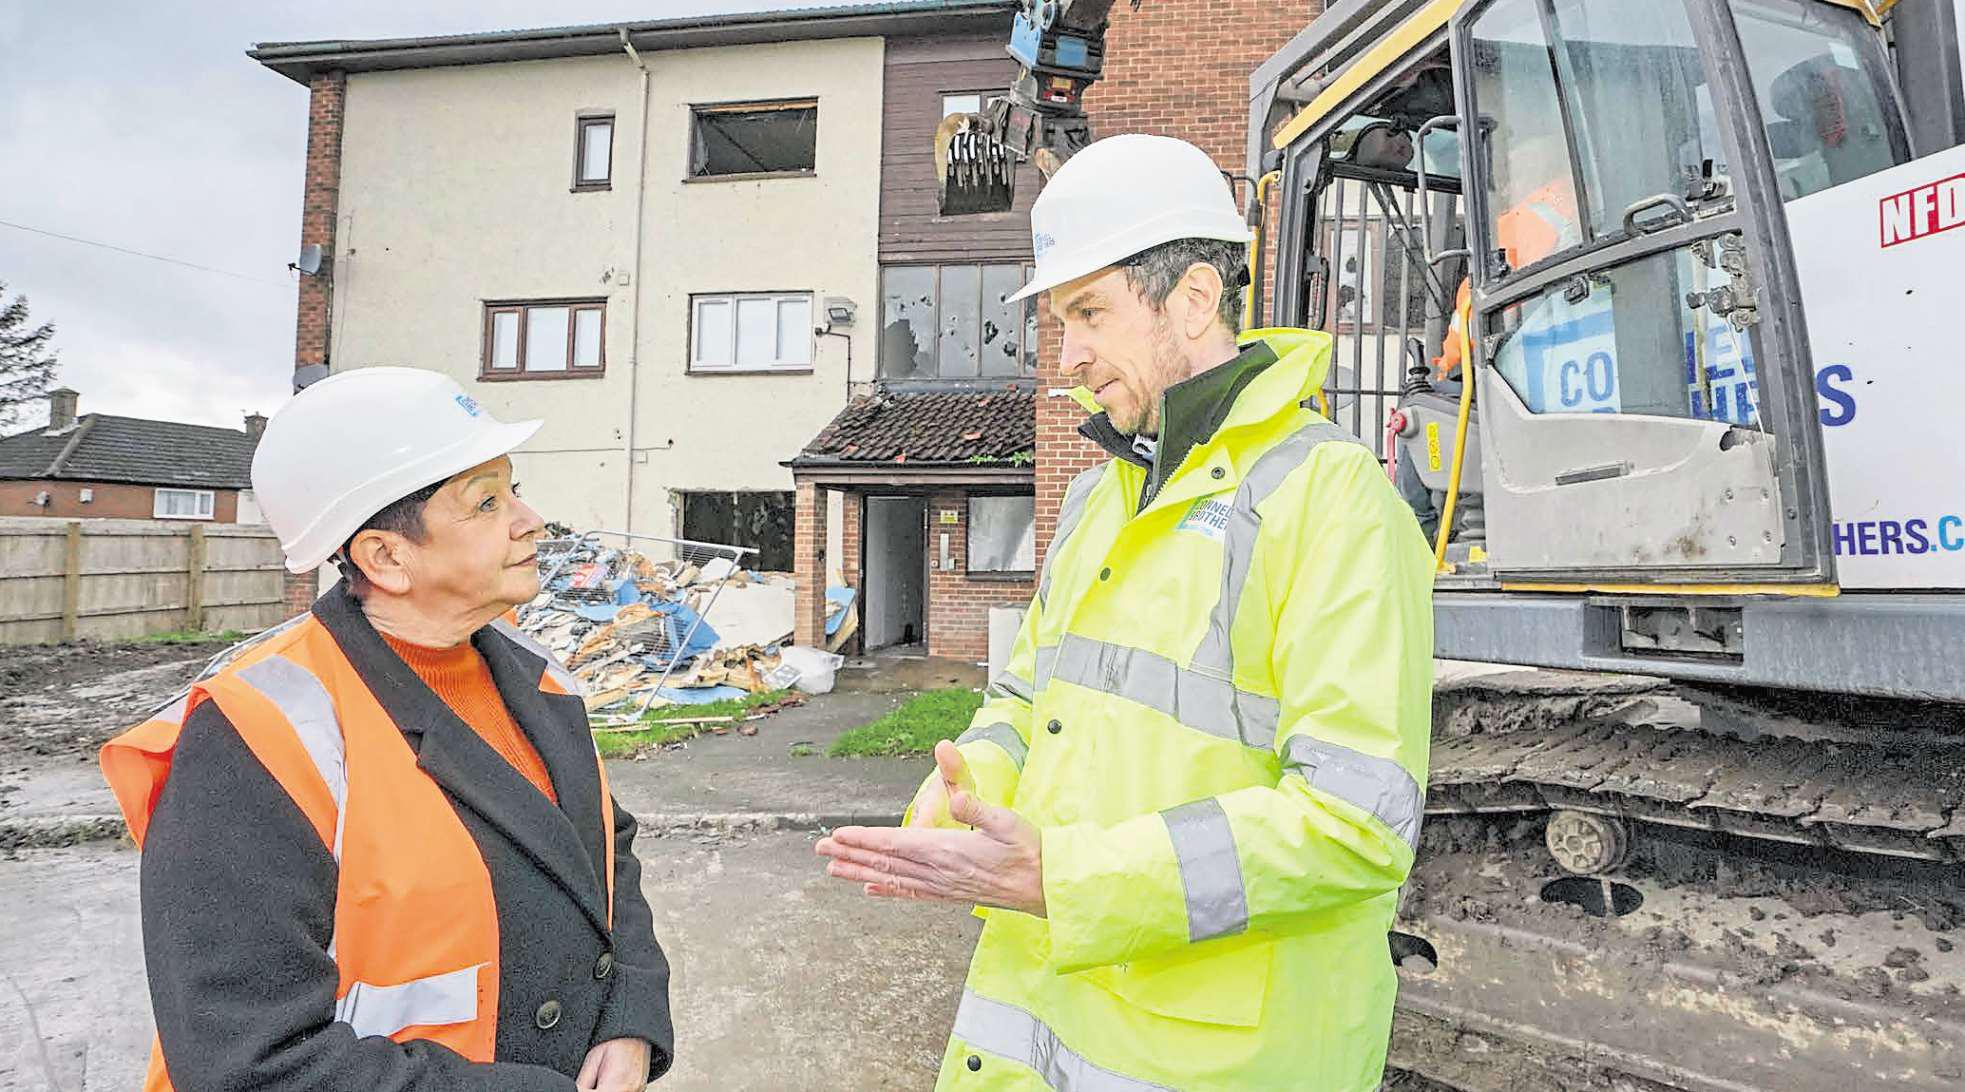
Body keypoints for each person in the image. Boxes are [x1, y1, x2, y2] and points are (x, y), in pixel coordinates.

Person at [815, 134, 1434, 1090]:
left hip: (1225, 1058)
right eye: (1061, 321)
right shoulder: (1099, 498)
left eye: (1088, 313)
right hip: (1055, 1021)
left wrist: (1066, 882)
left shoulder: (1331, 497)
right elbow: (1029, 695)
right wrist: (963, 792)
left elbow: (1356, 823)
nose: (1066, 359)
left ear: (1191, 299)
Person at [100, 368, 674, 1091]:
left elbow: (602, 855)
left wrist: (631, 1015)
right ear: (386, 557)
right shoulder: (257, 734)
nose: (531, 520)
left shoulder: (535, 674)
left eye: (514, 489)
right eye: (487, 503)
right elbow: (249, 1062)